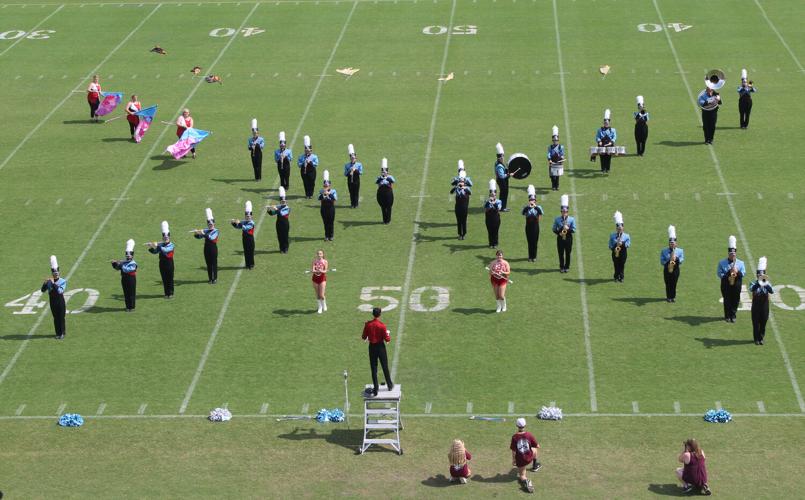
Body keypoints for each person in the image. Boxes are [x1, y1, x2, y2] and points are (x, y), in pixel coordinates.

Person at [361, 307, 394, 397]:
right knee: (384, 366)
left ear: (373, 314)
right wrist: (388, 334)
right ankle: (389, 385)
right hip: (380, 347)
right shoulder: (382, 325)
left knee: (373, 368)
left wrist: (369, 337)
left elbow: (364, 337)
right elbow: (387, 340)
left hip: (372, 347)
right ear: (379, 314)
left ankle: (376, 389)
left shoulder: (368, 324)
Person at [717, 235, 745, 323]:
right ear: (728, 253)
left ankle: (733, 315)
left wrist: (737, 272)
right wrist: (729, 272)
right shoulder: (722, 262)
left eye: (734, 254)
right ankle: (727, 315)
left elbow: (743, 273)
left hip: (736, 284)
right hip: (726, 284)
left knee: (735, 300)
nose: (732, 255)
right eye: (731, 254)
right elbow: (719, 273)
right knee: (727, 300)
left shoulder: (740, 263)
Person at [510, 418, 540, 494]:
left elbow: (513, 450)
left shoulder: (514, 437)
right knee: (534, 448)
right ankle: (535, 465)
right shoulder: (529, 435)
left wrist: (514, 460)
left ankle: (527, 481)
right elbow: (537, 446)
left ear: (517, 425)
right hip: (529, 457)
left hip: (521, 460)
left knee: (522, 476)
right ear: (525, 425)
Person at [41, 255, 67, 339]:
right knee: (55, 318)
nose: (55, 274)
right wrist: (45, 284)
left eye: (56, 273)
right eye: (54, 273)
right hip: (52, 301)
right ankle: (58, 333)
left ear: (59, 273)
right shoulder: (49, 281)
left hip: (60, 301)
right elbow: (43, 290)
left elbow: (60, 291)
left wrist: (53, 283)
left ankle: (62, 332)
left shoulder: (63, 281)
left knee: (61, 317)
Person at [147, 221, 175, 298]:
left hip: (169, 263)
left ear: (169, 237)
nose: (166, 238)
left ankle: (171, 293)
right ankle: (166, 293)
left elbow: (165, 250)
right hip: (162, 263)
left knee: (170, 278)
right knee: (164, 278)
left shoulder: (171, 245)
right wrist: (151, 247)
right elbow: (155, 252)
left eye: (167, 237)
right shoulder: (161, 244)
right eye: (164, 237)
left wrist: (157, 246)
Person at [749, 257, 773, 345]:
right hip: (755, 307)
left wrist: (765, 284)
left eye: (761, 275)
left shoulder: (767, 283)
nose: (760, 276)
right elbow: (752, 289)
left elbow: (771, 291)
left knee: (763, 323)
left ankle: (761, 338)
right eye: (759, 275)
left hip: (764, 307)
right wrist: (758, 283)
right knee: (755, 323)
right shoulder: (753, 283)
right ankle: (756, 339)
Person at [111, 239, 137, 312]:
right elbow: (117, 268)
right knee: (126, 293)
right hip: (124, 279)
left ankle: (132, 307)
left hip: (131, 279)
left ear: (132, 256)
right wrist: (114, 263)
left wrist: (121, 263)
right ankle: (127, 307)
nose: (128, 257)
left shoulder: (133, 263)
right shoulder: (123, 262)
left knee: (131, 293)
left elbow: (127, 270)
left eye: (129, 256)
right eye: (127, 256)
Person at [194, 208, 219, 284]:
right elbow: (198, 237)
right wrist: (196, 233)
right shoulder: (205, 230)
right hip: (206, 248)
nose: (210, 225)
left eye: (211, 224)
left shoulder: (216, 231)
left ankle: (214, 278)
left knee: (214, 263)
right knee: (208, 263)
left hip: (213, 248)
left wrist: (203, 233)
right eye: (209, 224)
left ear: (213, 224)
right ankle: (210, 278)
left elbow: (211, 238)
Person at [552, 194, 576, 273]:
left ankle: (567, 266)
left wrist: (568, 229)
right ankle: (561, 266)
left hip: (568, 238)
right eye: (563, 212)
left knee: (568, 253)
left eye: (566, 212)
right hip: (560, 238)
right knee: (561, 253)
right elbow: (554, 229)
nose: (564, 213)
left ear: (567, 212)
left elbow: (574, 229)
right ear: (561, 212)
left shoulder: (571, 219)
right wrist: (559, 232)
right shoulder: (557, 219)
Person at [660, 225, 684, 303]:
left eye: (673, 243)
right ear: (669, 243)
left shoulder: (680, 251)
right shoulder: (664, 251)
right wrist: (668, 261)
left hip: (676, 270)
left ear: (676, 243)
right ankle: (668, 297)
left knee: (674, 283)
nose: (672, 245)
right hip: (667, 269)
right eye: (671, 243)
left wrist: (676, 258)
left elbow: (681, 260)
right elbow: (662, 261)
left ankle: (673, 297)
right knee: (668, 283)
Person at [698, 72, 723, 144]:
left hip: (713, 112)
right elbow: (702, 103)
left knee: (712, 126)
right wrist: (710, 100)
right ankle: (706, 139)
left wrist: (718, 99)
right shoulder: (703, 95)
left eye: (711, 88)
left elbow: (720, 103)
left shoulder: (716, 94)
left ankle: (711, 139)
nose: (710, 89)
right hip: (705, 112)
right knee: (705, 126)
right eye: (708, 88)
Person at [450, 161, 472, 240]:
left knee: (464, 220)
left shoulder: (466, 188)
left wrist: (464, 187)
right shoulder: (457, 187)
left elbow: (470, 192)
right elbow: (451, 191)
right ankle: (460, 234)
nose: (461, 182)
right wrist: (456, 186)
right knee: (459, 221)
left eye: (462, 181)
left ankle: (464, 234)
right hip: (458, 206)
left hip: (464, 207)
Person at [231, 201, 255, 269]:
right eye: (247, 216)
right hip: (244, 238)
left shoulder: (252, 223)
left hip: (250, 239)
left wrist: (239, 223)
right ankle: (247, 264)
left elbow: (245, 228)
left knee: (250, 252)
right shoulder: (244, 221)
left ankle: (251, 264)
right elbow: (238, 227)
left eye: (249, 216)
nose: (248, 217)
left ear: (251, 216)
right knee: (246, 251)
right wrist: (233, 223)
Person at [522, 185, 543, 262]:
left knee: (535, 241)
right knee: (529, 241)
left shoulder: (539, 207)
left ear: (535, 200)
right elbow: (523, 213)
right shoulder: (526, 207)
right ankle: (530, 256)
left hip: (535, 227)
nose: (532, 201)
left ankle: (534, 256)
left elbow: (541, 213)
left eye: (533, 200)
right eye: (531, 200)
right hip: (528, 226)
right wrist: (528, 207)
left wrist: (535, 207)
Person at [609, 211, 630, 282]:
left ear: (623, 228)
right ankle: (616, 276)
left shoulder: (627, 236)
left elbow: (628, 244)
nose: (619, 229)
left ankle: (621, 277)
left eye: (621, 228)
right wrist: (615, 245)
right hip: (615, 252)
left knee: (622, 264)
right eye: (618, 228)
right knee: (616, 264)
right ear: (616, 228)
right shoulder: (612, 236)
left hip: (623, 253)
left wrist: (622, 243)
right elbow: (610, 245)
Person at [267, 187, 290, 253]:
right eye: (281, 201)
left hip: (285, 223)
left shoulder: (287, 208)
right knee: (280, 236)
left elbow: (282, 214)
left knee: (285, 236)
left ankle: (285, 248)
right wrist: (269, 209)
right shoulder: (279, 207)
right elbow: (272, 213)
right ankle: (281, 248)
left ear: (286, 201)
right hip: (279, 223)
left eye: (284, 201)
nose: (283, 202)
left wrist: (276, 209)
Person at [594, 109, 617, 173]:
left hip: (609, 145)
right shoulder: (600, 130)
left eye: (607, 123)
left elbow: (615, 137)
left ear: (609, 123)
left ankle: (607, 168)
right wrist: (599, 141)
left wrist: (612, 141)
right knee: (602, 157)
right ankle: (603, 168)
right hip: (602, 145)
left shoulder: (613, 130)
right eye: (605, 123)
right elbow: (597, 137)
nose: (606, 124)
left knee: (608, 157)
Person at [318, 170, 337, 241]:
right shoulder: (321, 191)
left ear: (329, 185)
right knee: (325, 222)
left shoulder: (333, 191)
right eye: (325, 185)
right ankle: (326, 235)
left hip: (331, 208)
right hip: (323, 209)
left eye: (327, 185)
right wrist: (323, 194)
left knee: (331, 222)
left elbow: (335, 199)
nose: (326, 186)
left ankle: (331, 235)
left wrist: (329, 194)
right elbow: (319, 198)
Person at [484, 179, 503, 248]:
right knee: (490, 231)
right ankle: (490, 243)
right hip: (488, 218)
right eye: (491, 195)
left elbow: (499, 208)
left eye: (494, 195)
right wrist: (489, 202)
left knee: (495, 231)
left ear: (495, 195)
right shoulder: (487, 201)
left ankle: (495, 243)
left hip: (496, 218)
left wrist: (494, 204)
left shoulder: (499, 201)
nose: (492, 196)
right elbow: (485, 209)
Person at [376, 158, 395, 224]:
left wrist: (387, 177)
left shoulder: (390, 177)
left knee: (389, 207)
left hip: (389, 194)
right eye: (383, 171)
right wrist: (382, 177)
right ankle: (384, 220)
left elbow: (393, 181)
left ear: (387, 171)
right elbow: (377, 182)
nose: (384, 172)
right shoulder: (379, 177)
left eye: (385, 171)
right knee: (383, 207)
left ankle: (388, 220)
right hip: (381, 194)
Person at [344, 143, 362, 208]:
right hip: (350, 180)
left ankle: (356, 204)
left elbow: (360, 172)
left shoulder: (359, 164)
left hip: (356, 180)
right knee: (351, 193)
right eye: (352, 158)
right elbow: (345, 174)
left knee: (356, 192)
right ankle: (352, 204)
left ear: (355, 158)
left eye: (354, 158)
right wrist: (349, 171)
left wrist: (355, 170)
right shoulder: (347, 165)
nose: (353, 159)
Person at [547, 126, 565, 191]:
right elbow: (548, 153)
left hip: (558, 162)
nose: (555, 142)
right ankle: (553, 185)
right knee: (552, 175)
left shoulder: (561, 147)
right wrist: (549, 160)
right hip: (552, 162)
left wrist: (562, 157)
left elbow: (562, 153)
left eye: (556, 140)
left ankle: (557, 186)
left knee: (557, 175)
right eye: (554, 141)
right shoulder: (550, 147)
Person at [494, 142, 511, 211]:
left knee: (503, 193)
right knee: (504, 193)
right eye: (502, 157)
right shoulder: (499, 166)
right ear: (500, 158)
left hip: (500, 180)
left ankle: (502, 206)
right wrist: (509, 174)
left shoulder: (497, 163)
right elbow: (501, 176)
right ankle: (502, 207)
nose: (503, 158)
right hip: (502, 181)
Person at [311, 249, 329, 313]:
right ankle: (320, 307)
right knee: (317, 294)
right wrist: (315, 270)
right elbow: (313, 270)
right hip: (315, 279)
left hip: (322, 278)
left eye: (320, 254)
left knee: (321, 294)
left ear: (323, 254)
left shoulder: (325, 261)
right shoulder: (314, 261)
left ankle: (324, 304)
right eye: (318, 254)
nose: (319, 255)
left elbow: (325, 270)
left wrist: (321, 271)